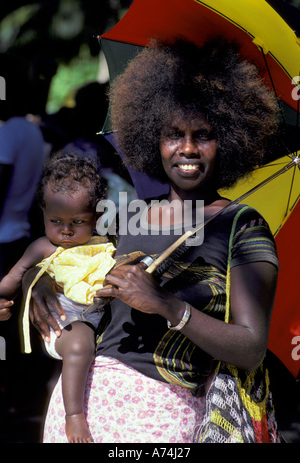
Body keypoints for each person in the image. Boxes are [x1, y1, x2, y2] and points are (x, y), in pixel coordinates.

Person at [23, 39, 280, 443]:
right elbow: (64, 255)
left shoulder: (241, 226)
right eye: (173, 134)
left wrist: (165, 304)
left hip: (159, 419)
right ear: (152, 139)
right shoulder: (128, 214)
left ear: (229, 140)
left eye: (204, 135)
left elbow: (251, 348)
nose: (188, 149)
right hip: (78, 412)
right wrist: (32, 284)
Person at [0, 152, 116, 443]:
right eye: (55, 221)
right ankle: (74, 417)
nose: (65, 230)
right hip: (61, 323)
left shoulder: (104, 245)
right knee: (78, 344)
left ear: (97, 216)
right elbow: (11, 280)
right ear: (42, 212)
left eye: (78, 221)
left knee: (78, 355)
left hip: (98, 321)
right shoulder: (42, 247)